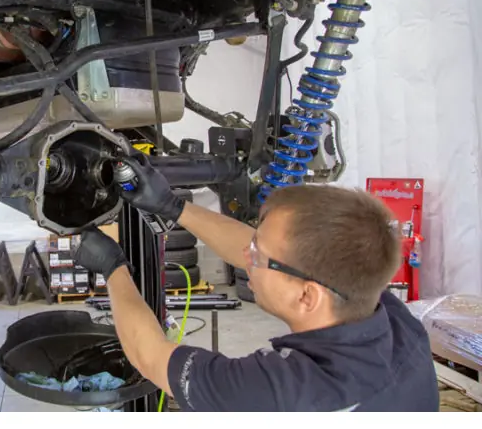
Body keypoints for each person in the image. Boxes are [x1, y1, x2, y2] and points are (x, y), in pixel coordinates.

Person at [72, 156, 439, 411]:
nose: (247, 258)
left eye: (259, 257)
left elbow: (151, 358)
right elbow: (257, 248)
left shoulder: (282, 393)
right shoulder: (394, 320)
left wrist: (112, 265)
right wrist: (172, 206)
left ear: (308, 295)